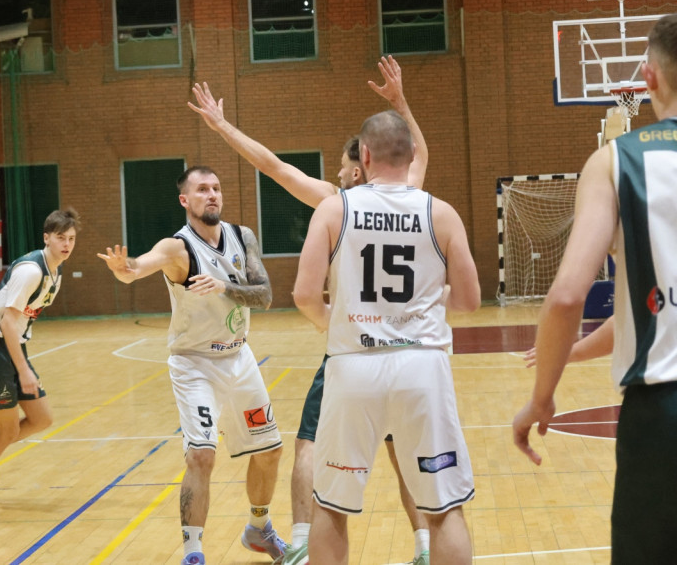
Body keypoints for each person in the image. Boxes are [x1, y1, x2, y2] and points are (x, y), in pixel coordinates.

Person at [188, 55, 432, 565]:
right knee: (404, 453)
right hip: (408, 351)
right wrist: (400, 102)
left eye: (343, 164)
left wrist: (221, 124)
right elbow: (418, 151)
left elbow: (272, 166)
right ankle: (425, 546)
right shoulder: (414, 197)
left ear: (360, 163)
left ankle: (300, 543)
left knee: (307, 445)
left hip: (353, 349)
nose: (335, 172)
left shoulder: (335, 202)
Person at [512, 14, 677, 562]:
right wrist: (579, 351)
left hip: (662, 415)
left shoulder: (617, 161)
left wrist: (542, 398)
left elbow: (565, 296)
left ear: (648, 78)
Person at [293, 110, 480, 565]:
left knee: (331, 507)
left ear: (367, 155)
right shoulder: (441, 213)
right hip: (422, 367)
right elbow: (470, 301)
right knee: (442, 507)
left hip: (353, 365)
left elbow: (303, 294)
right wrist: (427, 304)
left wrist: (328, 320)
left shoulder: (336, 208)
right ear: (412, 154)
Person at [99, 167, 286, 565]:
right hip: (195, 364)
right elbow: (139, 266)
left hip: (239, 357)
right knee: (201, 455)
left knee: (270, 451)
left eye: (216, 188)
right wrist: (125, 269)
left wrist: (223, 287)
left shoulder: (242, 236)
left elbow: (266, 295)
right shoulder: (177, 248)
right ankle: (193, 553)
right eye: (202, 189)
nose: (212, 195)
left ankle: (259, 528)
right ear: (185, 200)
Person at [0, 208, 80, 505]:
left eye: (72, 239)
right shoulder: (31, 271)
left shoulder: (55, 271)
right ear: (46, 238)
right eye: (61, 238)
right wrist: (23, 371)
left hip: (12, 346)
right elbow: (8, 322)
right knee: (8, 428)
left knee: (41, 418)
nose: (67, 244)